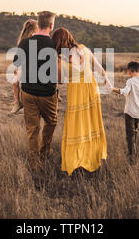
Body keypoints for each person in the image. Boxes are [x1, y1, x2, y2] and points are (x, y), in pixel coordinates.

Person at [52, 27, 108, 176]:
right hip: (91, 90)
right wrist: (107, 83)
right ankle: (92, 160)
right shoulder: (84, 49)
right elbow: (101, 70)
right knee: (91, 124)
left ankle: (77, 162)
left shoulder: (61, 59)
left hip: (77, 94)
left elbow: (59, 80)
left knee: (77, 126)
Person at [14, 11, 58, 171]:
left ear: (39, 23)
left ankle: (35, 163)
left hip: (28, 93)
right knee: (51, 122)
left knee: (32, 129)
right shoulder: (54, 44)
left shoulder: (25, 43)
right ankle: (45, 153)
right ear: (51, 25)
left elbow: (17, 66)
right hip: (47, 94)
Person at [112, 61, 139, 164]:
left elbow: (124, 91)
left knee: (130, 136)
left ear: (129, 72)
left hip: (129, 113)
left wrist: (112, 89)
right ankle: (133, 153)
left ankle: (132, 159)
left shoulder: (130, 81)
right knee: (134, 134)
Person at [10, 19, 38, 114]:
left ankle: (55, 92)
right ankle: (17, 102)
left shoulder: (36, 39)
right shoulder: (23, 40)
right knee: (15, 82)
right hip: (24, 66)